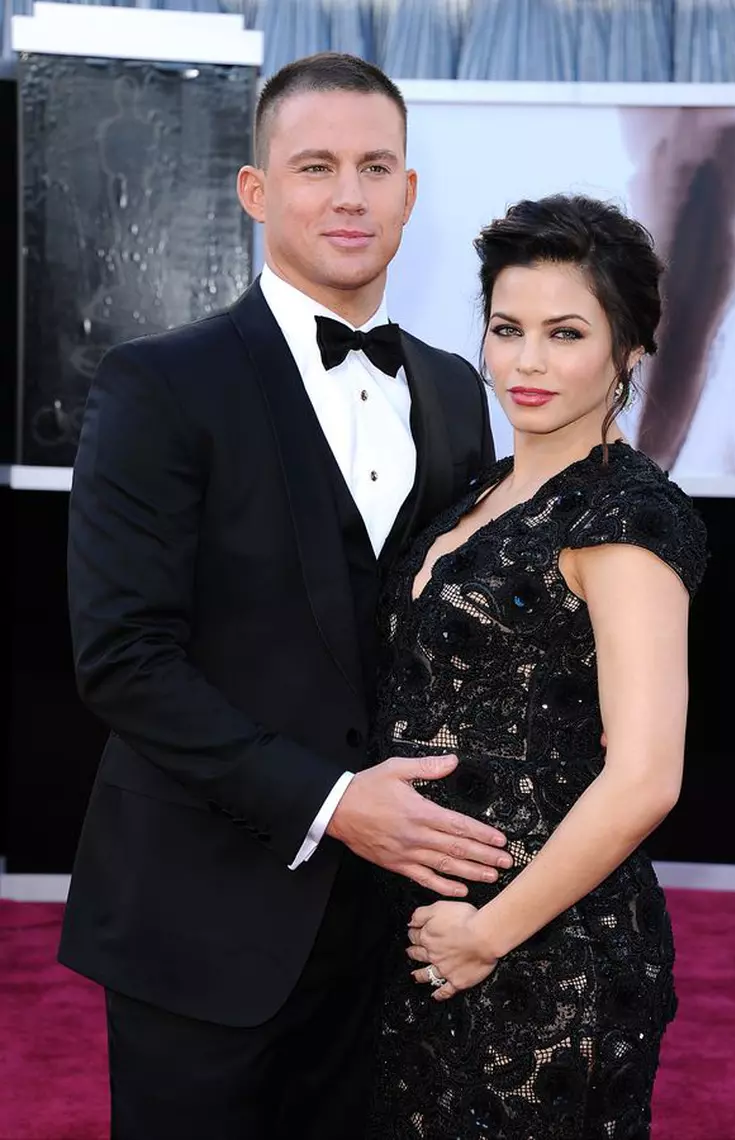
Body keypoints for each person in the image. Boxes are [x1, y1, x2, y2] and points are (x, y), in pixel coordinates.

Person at [58, 53, 511, 1140]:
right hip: (199, 917)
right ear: (257, 192)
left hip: (393, 936)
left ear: (409, 193)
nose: (348, 195)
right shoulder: (159, 385)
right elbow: (124, 659)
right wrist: (333, 803)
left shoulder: (455, 387)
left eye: (374, 167)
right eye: (315, 166)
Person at [368, 194, 708, 1139]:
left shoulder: (628, 519)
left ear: (630, 348)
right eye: (506, 328)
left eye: (566, 333)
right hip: (426, 935)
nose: (527, 361)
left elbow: (645, 776)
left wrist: (487, 934)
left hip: (544, 954)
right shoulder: (477, 494)